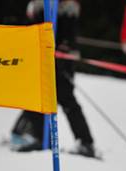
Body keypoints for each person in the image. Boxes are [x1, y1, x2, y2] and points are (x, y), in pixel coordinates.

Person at [10, 0, 96, 157]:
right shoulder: (38, 5)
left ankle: (85, 142)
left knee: (67, 101)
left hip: (61, 62)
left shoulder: (67, 8)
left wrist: (64, 51)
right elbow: (30, 28)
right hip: (39, 59)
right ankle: (41, 138)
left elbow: (70, 34)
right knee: (35, 99)